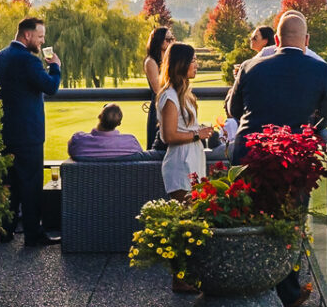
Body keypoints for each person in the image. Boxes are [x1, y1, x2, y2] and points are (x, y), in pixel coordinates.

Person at [224, 10, 327, 307]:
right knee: (290, 223)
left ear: (275, 39)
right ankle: (286, 292)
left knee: (251, 221)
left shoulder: (250, 66)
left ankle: (252, 287)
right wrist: (302, 127)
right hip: (292, 159)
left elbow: (233, 111)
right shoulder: (321, 70)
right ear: (307, 40)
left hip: (248, 155)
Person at [0, 16, 61, 247]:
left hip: (5, 132)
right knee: (31, 184)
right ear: (27, 35)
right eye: (40, 37)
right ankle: (33, 233)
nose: (42, 42)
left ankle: (6, 229)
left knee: (8, 183)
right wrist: (55, 67)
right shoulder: (28, 61)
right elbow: (50, 87)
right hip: (28, 134)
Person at [156, 42, 216, 195]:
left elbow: (183, 126)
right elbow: (168, 136)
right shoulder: (170, 97)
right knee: (186, 214)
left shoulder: (184, 95)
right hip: (180, 164)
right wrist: (198, 134)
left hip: (192, 159)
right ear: (181, 64)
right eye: (193, 61)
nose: (196, 65)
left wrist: (201, 129)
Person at [68, 104, 148, 161]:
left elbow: (71, 151)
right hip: (122, 183)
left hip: (87, 183)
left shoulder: (79, 140)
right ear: (119, 123)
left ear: (99, 116)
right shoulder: (131, 142)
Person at [143, 26, 171, 150]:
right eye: (168, 39)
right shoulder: (151, 62)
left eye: (172, 39)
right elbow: (157, 88)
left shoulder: (168, 60)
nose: (171, 42)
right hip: (160, 105)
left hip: (171, 104)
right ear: (159, 41)